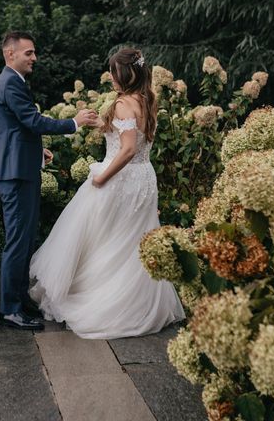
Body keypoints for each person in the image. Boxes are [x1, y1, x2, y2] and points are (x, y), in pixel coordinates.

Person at [29, 47, 185, 339]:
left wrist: (103, 176)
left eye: (114, 72)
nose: (110, 77)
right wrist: (97, 122)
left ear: (124, 75)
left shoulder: (126, 103)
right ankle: (136, 302)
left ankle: (104, 301)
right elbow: (130, 135)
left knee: (107, 237)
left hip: (122, 177)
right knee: (129, 241)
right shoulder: (146, 99)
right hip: (144, 178)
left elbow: (127, 148)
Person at [0, 31, 99, 331]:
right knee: (17, 242)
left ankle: (20, 300)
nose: (34, 58)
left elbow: (14, 129)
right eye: (29, 53)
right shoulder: (10, 82)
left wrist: (38, 150)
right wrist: (76, 122)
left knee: (25, 240)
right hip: (14, 175)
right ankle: (9, 309)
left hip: (19, 169)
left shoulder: (11, 82)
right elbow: (33, 121)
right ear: (10, 54)